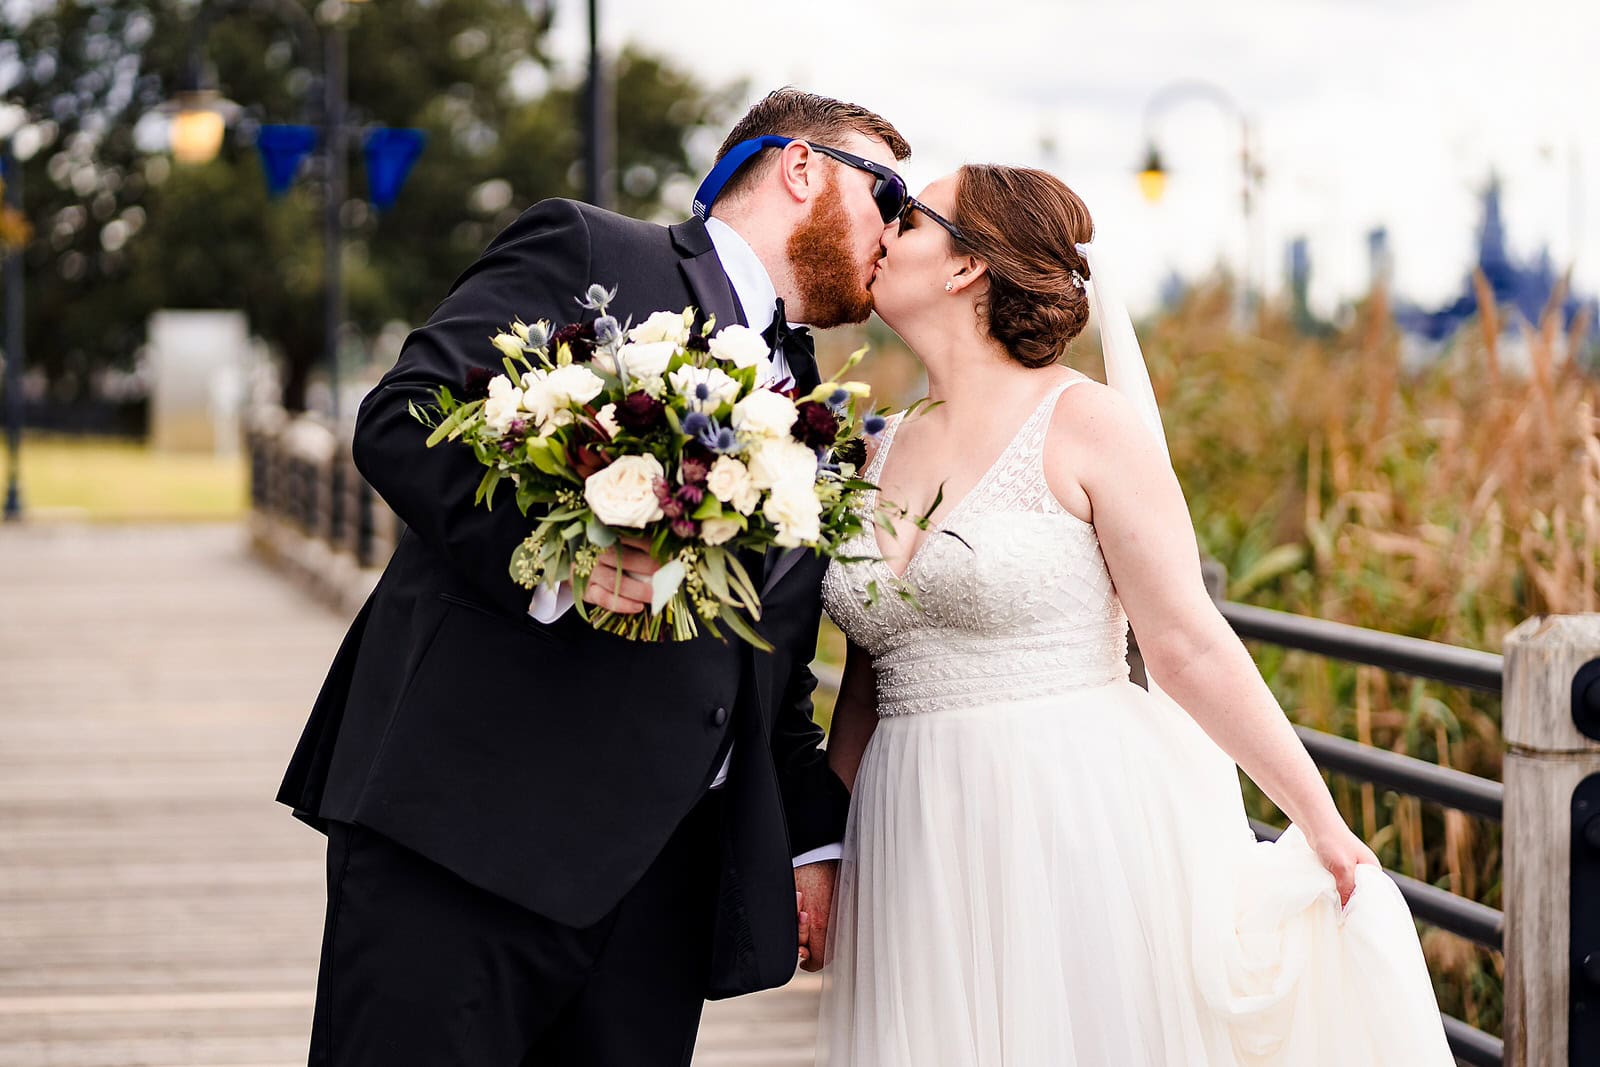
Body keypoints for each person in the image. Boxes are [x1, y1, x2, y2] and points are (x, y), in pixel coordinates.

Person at [275, 88, 909, 1066]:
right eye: (888, 195)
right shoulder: (596, 254)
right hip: (467, 833)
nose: (898, 234)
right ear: (800, 168)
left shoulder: (816, 411)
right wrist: (562, 562)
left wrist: (811, 842)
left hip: (657, 894)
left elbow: (768, 666)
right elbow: (403, 417)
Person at [816, 164, 1455, 1065]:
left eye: (909, 217)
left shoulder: (1088, 426)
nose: (881, 228)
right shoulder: (871, 444)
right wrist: (823, 849)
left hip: (1064, 816)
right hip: (910, 831)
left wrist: (1321, 822)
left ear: (967, 267)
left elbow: (1187, 641)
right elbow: (869, 679)